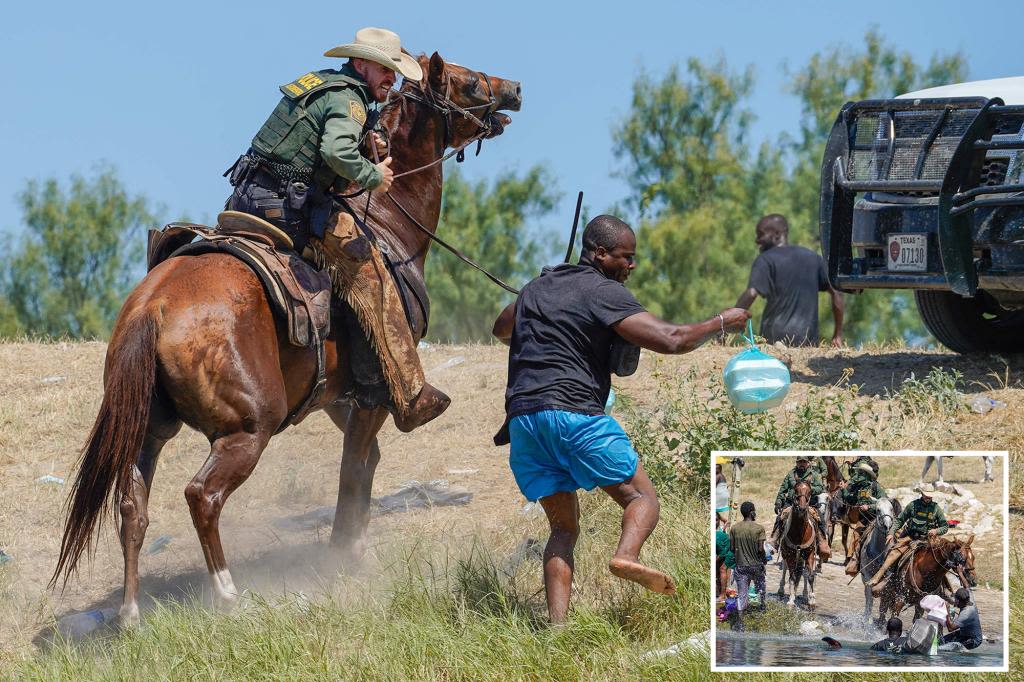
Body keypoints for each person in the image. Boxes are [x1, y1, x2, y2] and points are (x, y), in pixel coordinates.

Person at [490, 214, 751, 622]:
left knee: (562, 531)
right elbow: (672, 339)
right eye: (626, 257)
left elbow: (501, 327)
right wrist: (721, 322)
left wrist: (538, 293)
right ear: (599, 253)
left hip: (524, 422)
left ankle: (557, 630)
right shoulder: (603, 291)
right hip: (575, 414)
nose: (631, 266)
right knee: (641, 498)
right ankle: (626, 556)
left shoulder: (538, 287)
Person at [223, 27, 448, 433]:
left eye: (394, 73)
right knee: (373, 271)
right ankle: (410, 393)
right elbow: (335, 151)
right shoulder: (350, 100)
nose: (391, 79)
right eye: (385, 70)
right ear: (361, 64)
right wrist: (373, 175)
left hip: (247, 199)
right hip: (290, 209)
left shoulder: (323, 86)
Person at [735, 214, 844, 347]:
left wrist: (726, 321)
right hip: (807, 343)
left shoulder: (765, 259)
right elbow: (837, 292)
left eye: (760, 234)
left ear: (776, 234)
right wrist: (838, 334)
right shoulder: (813, 258)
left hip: (773, 339)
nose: (757, 240)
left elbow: (751, 293)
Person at [869, 487, 950, 594]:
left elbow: (945, 526)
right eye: (926, 495)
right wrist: (891, 533)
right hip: (911, 537)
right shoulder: (913, 505)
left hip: (928, 540)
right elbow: (899, 520)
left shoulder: (936, 509)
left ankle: (945, 589)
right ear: (922, 494)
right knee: (894, 552)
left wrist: (936, 531)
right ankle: (883, 577)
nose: (928, 498)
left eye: (930, 496)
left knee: (940, 561)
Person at [770, 456, 830, 559]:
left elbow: (820, 488)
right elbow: (783, 489)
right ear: (797, 463)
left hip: (810, 503)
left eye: (804, 462)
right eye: (800, 462)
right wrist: (778, 502)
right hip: (792, 503)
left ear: (807, 463)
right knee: (780, 517)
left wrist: (808, 489)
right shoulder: (791, 474)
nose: (802, 464)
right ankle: (774, 540)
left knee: (820, 519)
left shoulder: (814, 474)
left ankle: (822, 542)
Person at [841, 461, 887, 575]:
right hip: (863, 520)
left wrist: (869, 506)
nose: (858, 474)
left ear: (867, 474)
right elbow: (850, 500)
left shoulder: (876, 487)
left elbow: (884, 503)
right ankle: (854, 561)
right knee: (856, 535)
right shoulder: (859, 488)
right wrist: (843, 489)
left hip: (877, 519)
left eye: (861, 472)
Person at [728, 502, 767, 631]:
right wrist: (763, 560)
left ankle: (740, 621)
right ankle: (762, 608)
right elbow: (761, 549)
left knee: (742, 594)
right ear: (751, 512)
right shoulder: (759, 528)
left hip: (741, 567)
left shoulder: (734, 528)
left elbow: (732, 548)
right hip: (756, 565)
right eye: (754, 511)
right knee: (761, 587)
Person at [716, 516, 735, 601]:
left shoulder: (718, 535)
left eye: (716, 520)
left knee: (723, 569)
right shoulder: (717, 534)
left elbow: (722, 553)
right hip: (723, 549)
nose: (715, 522)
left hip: (729, 552)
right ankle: (720, 591)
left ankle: (723, 594)